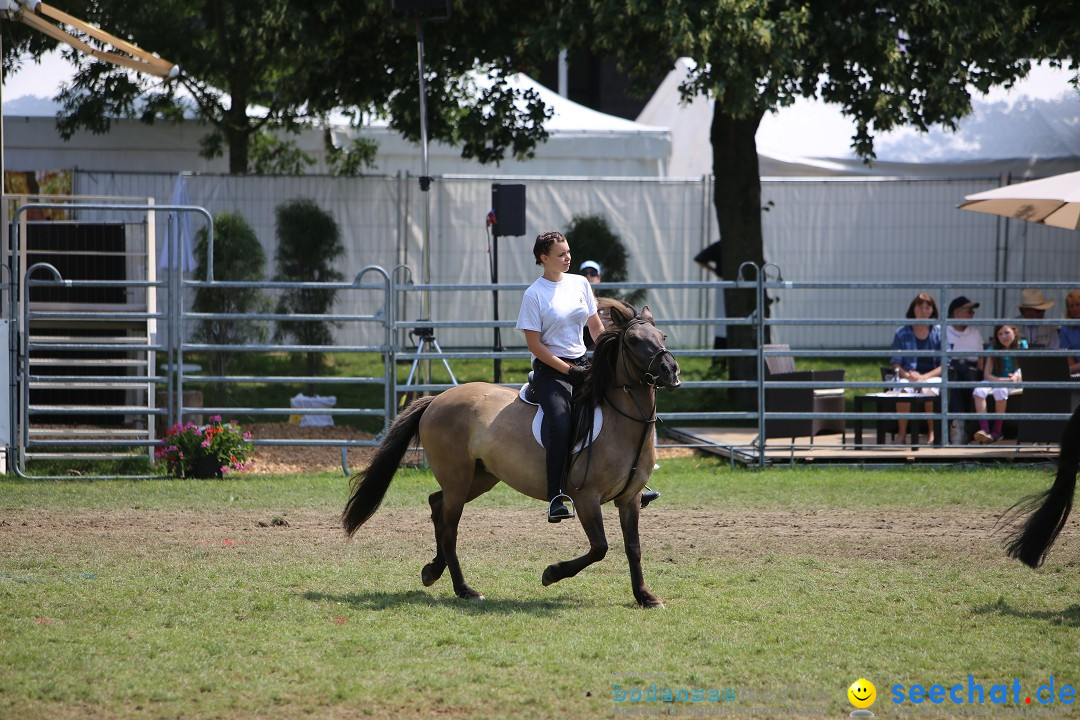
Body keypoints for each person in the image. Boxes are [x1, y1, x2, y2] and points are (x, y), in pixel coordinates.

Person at [517, 231, 606, 522]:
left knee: (620, 409)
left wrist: (605, 355)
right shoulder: (534, 294)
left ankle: (630, 481)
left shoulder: (580, 283)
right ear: (544, 258)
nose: (568, 257)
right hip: (551, 371)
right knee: (560, 421)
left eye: (568, 252)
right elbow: (534, 345)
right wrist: (568, 371)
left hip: (583, 363)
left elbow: (595, 328)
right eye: (561, 254)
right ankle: (555, 494)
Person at [889, 293, 943, 445]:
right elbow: (895, 363)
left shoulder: (939, 332)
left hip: (931, 375)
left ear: (933, 310)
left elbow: (944, 364)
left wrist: (924, 377)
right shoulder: (901, 333)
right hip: (909, 375)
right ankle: (901, 435)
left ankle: (932, 434)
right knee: (903, 390)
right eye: (920, 307)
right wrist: (907, 375)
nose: (924, 311)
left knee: (929, 389)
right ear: (913, 309)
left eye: (928, 307)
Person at [972, 324, 1022, 444]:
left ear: (1015, 332)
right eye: (1000, 334)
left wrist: (1016, 376)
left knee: (1000, 391)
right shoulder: (993, 350)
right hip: (996, 380)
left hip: (1012, 382)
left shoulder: (1021, 347)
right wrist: (1000, 380)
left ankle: (997, 431)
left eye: (1006, 332)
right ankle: (984, 430)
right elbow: (987, 375)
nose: (1003, 336)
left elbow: (1023, 369)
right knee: (979, 391)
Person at [945, 296, 983, 444]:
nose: (971, 315)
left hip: (970, 369)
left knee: (970, 378)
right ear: (956, 312)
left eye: (972, 312)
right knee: (953, 377)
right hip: (951, 368)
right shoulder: (944, 330)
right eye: (968, 311)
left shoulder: (975, 333)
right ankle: (958, 425)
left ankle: (970, 427)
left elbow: (980, 358)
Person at [694, 241, 728, 371]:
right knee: (722, 325)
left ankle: (720, 363)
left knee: (723, 324)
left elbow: (700, 258)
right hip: (724, 282)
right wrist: (716, 271)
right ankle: (719, 362)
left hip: (728, 282)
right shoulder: (721, 245)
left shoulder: (722, 244)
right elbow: (700, 258)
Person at [1059, 290, 1080, 374]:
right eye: (1071, 306)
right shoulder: (1065, 329)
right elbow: (1068, 357)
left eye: (1078, 305)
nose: (1075, 308)